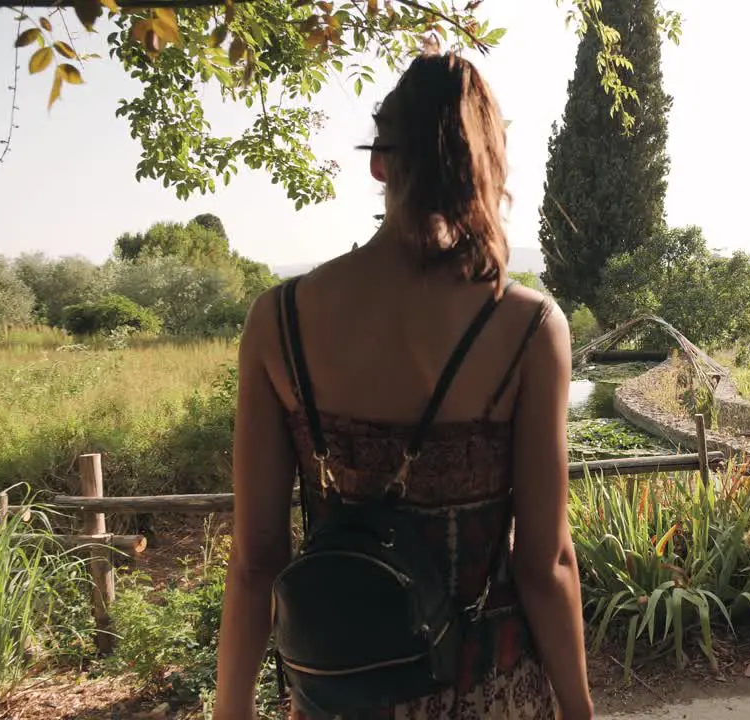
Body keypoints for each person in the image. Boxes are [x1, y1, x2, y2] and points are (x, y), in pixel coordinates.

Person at [212, 52, 593, 720]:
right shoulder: (530, 328)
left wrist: (231, 709)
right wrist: (579, 711)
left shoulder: (278, 320)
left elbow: (255, 560)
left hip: (341, 692)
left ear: (379, 162)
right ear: (490, 163)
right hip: (489, 690)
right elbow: (545, 564)